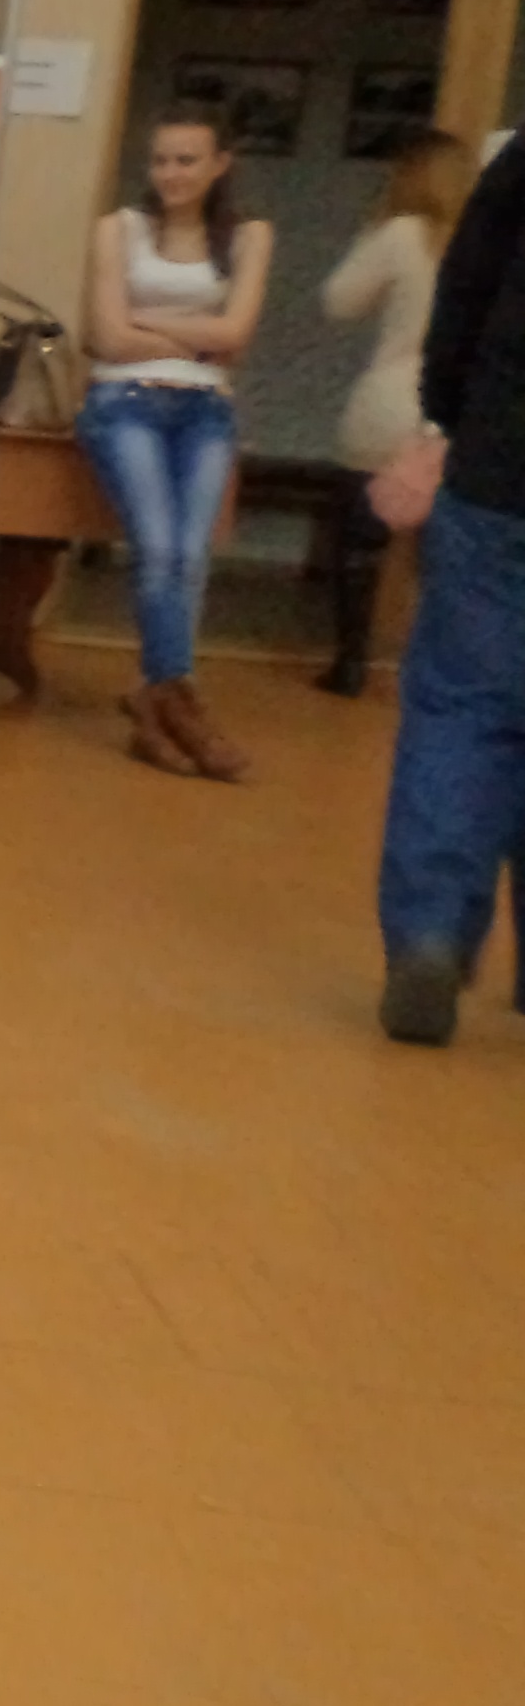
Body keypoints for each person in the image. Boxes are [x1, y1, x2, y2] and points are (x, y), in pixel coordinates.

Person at [371, 130, 525, 1046]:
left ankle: (430, 932)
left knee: (462, 707)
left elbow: (465, 289)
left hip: (503, 466)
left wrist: (449, 415)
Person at [77, 103, 272, 781]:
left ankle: (154, 713)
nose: (171, 173)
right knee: (157, 550)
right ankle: (181, 705)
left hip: (207, 411)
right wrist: (196, 333)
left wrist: (147, 319)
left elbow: (238, 335)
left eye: (187, 160)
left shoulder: (249, 236)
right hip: (123, 403)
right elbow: (107, 337)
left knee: (190, 558)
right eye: (161, 160)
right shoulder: (118, 229)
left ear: (220, 164)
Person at [314, 129, 474, 695]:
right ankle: (442, 669)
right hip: (462, 409)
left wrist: (371, 230)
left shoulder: (402, 234)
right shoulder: (485, 240)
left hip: (392, 398)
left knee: (360, 538)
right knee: (447, 555)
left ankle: (351, 662)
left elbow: (339, 301)